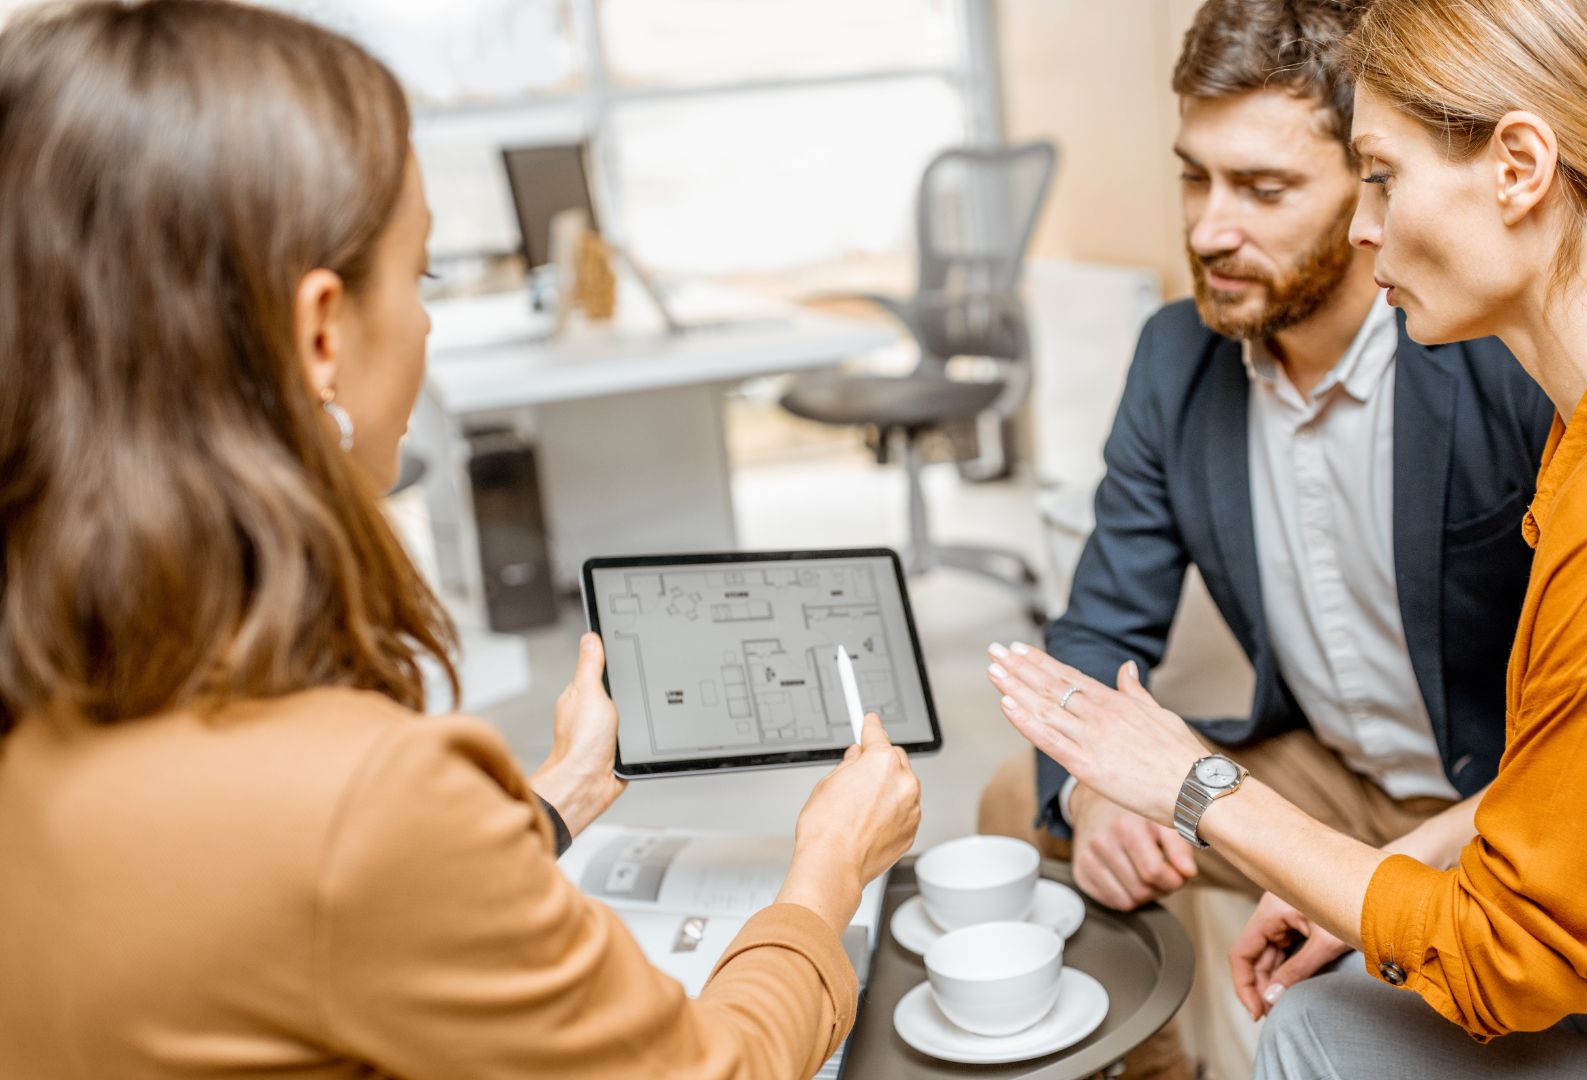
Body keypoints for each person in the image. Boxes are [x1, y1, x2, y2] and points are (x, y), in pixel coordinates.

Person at [988, 0, 1587, 1075]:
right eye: (1195, 178)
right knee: (1063, 816)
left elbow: (1505, 957)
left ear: (1519, 167)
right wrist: (1371, 858)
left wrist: (1200, 786)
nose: (1365, 226)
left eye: (1378, 177)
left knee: (1313, 1028)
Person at [0, 4, 920, 1078]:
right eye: (420, 274)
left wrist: (552, 801)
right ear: (321, 334)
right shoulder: (368, 802)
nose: (426, 323)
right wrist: (826, 870)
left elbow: (304, 927)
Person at [975, 0, 1551, 1048]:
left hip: (1503, 808)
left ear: (1370, 185)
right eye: (1196, 174)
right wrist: (1099, 800)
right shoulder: (1174, 359)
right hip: (1328, 775)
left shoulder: (1492, 347)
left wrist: (1403, 866)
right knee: (1023, 796)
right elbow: (1101, 629)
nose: (1207, 228)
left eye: (1263, 187)